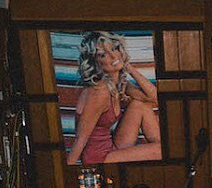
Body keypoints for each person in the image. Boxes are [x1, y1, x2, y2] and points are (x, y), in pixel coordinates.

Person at [66, 31, 162, 166]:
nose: (113, 56)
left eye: (114, 49)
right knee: (160, 150)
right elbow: (80, 138)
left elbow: (154, 98)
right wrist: (68, 171)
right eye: (103, 55)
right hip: (97, 157)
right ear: (96, 63)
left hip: (110, 147)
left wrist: (128, 67)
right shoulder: (99, 92)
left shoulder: (119, 84)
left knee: (141, 105)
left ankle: (159, 148)